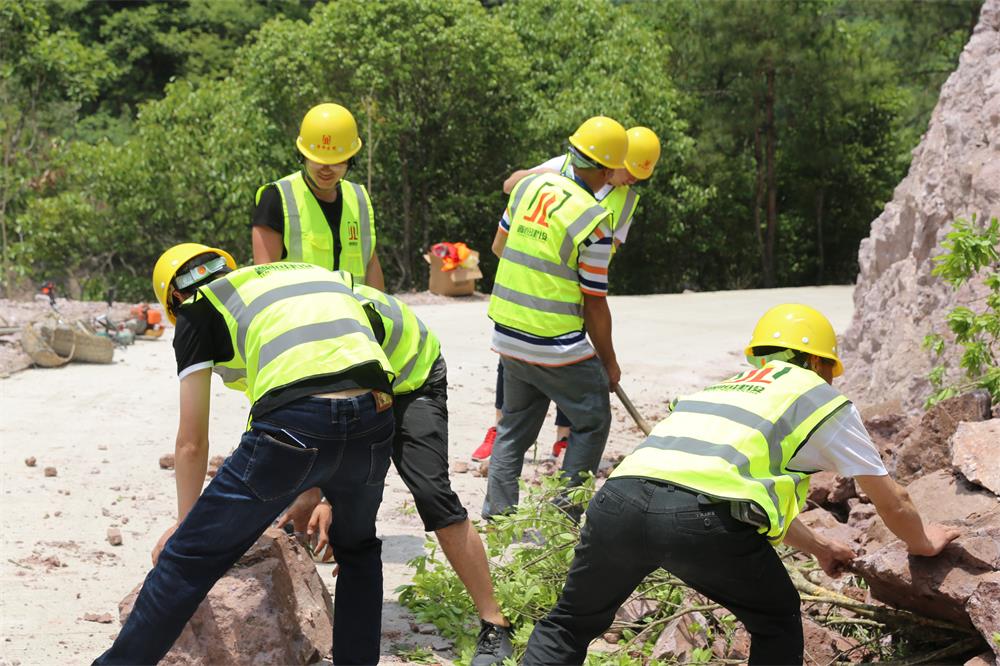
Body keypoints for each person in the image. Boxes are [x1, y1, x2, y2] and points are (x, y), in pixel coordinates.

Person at [521, 304, 962, 665]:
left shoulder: (722, 389)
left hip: (617, 502)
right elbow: (893, 498)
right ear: (817, 362)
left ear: (761, 355)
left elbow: (740, 494)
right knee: (776, 621)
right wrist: (923, 543)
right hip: (697, 520)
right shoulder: (817, 396)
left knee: (570, 623)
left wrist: (822, 549)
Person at [94, 245, 397, 665]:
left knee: (187, 561)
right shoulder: (296, 277)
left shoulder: (198, 307)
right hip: (377, 414)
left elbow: (191, 441)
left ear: (173, 300)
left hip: (295, 423)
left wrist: (187, 528)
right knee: (359, 549)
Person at [279, 283, 515, 665]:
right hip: (360, 379)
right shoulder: (281, 342)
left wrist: (326, 495)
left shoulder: (334, 331)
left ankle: (494, 621)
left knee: (431, 492)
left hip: (410, 377)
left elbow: (358, 421)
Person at [472, 126, 661, 462]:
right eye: (629, 172)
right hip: (536, 286)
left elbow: (610, 245)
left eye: (639, 177)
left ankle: (564, 436)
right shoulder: (564, 165)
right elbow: (511, 189)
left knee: (570, 362)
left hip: (577, 289)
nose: (631, 181)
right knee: (522, 359)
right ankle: (499, 427)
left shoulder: (626, 200)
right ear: (611, 162)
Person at [482, 116, 628, 521]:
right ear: (605, 170)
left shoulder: (529, 186)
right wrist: (610, 364)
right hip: (554, 343)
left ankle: (498, 518)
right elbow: (595, 302)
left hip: (508, 336)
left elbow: (500, 246)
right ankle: (563, 520)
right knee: (593, 417)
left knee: (513, 427)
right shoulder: (595, 220)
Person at [252, 102, 385, 289]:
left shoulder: (359, 200)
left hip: (352, 315)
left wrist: (378, 314)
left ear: (350, 160)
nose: (327, 169)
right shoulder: (276, 198)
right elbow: (264, 279)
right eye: (318, 160)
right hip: (299, 316)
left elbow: (370, 264)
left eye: (337, 162)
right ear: (303, 156)